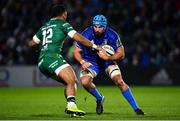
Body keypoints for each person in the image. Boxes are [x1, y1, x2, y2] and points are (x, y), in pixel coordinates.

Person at [29, 4, 101, 117]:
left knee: (70, 83)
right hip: (52, 57)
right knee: (72, 80)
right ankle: (71, 106)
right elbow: (79, 38)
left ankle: (72, 108)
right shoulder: (63, 24)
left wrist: (39, 50)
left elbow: (32, 43)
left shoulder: (44, 26)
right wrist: (95, 46)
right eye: (66, 13)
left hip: (42, 62)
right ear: (64, 14)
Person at [74, 15, 145, 115]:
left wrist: (108, 58)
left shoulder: (112, 35)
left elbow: (121, 54)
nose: (97, 29)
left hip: (107, 62)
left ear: (105, 26)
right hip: (91, 61)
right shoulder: (86, 33)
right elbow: (76, 51)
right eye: (95, 26)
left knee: (119, 81)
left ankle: (137, 109)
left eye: (100, 27)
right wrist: (82, 62)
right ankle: (99, 98)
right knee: (85, 82)